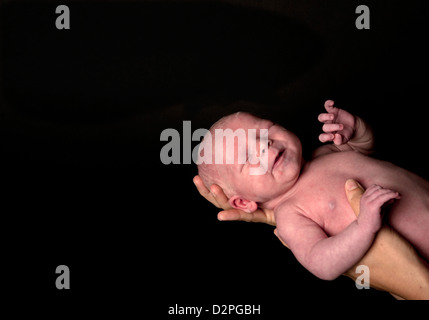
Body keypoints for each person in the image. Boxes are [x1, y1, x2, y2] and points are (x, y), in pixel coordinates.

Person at [194, 100, 429, 298]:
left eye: (265, 130)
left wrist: (356, 131)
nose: (263, 145)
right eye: (247, 157)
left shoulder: (324, 153)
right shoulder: (290, 214)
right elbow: (321, 263)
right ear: (243, 203)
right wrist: (363, 226)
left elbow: (365, 148)